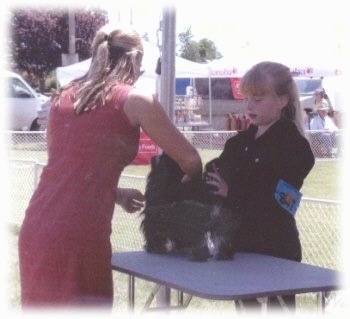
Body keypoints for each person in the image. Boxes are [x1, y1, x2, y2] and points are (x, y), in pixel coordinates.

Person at [18, 23, 202, 309]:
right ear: (136, 60)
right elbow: (190, 160)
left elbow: (67, 172)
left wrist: (114, 193)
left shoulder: (62, 97)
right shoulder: (136, 100)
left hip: (37, 230)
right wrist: (190, 189)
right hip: (79, 236)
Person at [205, 61, 315, 312]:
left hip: (276, 251)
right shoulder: (237, 144)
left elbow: (282, 204)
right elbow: (213, 176)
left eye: (258, 98)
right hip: (238, 247)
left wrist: (231, 193)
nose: (249, 105)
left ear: (282, 100)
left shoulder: (296, 148)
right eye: (248, 98)